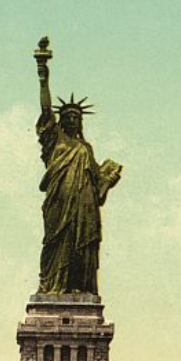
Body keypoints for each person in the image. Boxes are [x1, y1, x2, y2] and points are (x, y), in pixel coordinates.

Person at [35, 65, 122, 295]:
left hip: (85, 207)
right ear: (61, 120)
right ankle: (54, 286)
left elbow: (97, 186)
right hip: (59, 201)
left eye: (76, 116)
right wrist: (43, 75)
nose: (72, 119)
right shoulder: (55, 140)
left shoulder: (86, 148)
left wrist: (108, 179)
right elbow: (45, 111)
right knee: (56, 242)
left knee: (80, 245)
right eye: (68, 116)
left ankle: (76, 286)